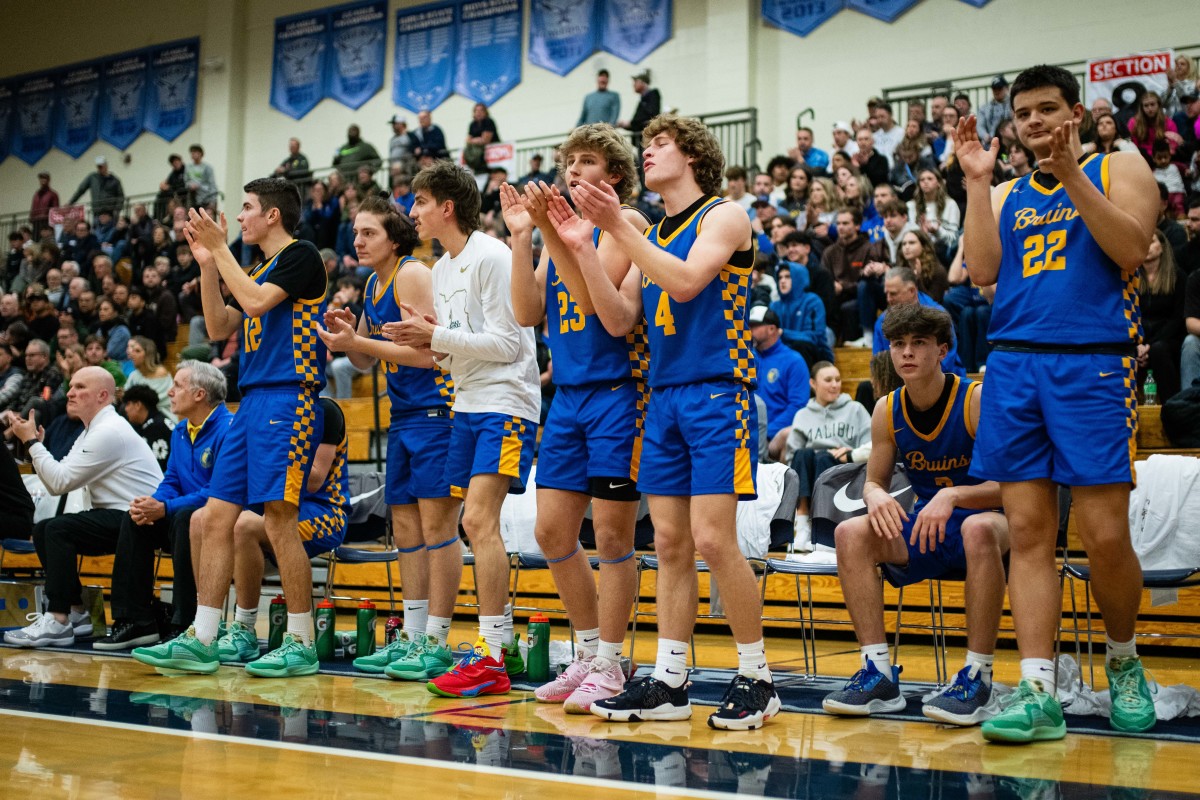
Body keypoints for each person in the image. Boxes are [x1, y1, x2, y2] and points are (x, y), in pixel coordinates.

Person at [958, 65, 1161, 741]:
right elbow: (982, 272)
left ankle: (1125, 661)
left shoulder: (1117, 167)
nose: (1035, 121)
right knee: (1029, 536)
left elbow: (1133, 249)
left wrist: (1072, 174)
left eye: (1048, 109)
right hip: (1015, 364)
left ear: (1077, 112)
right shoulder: (1009, 189)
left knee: (1104, 536)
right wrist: (976, 185)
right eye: (1024, 113)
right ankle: (1039, 690)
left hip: (1091, 364)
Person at [560, 113, 781, 730]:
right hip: (663, 397)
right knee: (672, 546)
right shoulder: (652, 230)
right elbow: (617, 316)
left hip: (718, 392)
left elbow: (684, 283)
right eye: (648, 145)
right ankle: (671, 680)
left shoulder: (724, 214)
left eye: (660, 144)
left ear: (693, 155)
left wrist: (614, 230)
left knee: (713, 539)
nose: (649, 153)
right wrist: (584, 249)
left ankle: (758, 677)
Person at [131, 177, 329, 678]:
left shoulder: (301, 255)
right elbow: (219, 328)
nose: (239, 218)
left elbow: (259, 304)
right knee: (215, 517)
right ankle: (202, 635)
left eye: (246, 208)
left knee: (279, 520)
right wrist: (206, 265)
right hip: (251, 402)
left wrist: (221, 251)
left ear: (273, 216)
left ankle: (301, 641)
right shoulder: (257, 268)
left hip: (290, 398)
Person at [502, 123, 647, 713]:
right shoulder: (559, 230)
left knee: (612, 535)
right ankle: (587, 653)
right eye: (569, 162)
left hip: (618, 394)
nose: (573, 171)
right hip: (567, 399)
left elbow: (598, 306)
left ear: (614, 174)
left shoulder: (625, 224)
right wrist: (521, 238)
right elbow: (528, 311)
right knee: (551, 532)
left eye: (587, 162)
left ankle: (612, 661)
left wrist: (552, 232)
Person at [386, 161, 540, 697]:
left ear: (446, 207)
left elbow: (508, 343)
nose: (413, 212)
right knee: (468, 525)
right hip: (466, 404)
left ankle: (493, 651)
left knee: (477, 521)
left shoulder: (493, 256)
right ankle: (499, 646)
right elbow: (454, 354)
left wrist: (437, 337)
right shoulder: (443, 268)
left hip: (506, 402)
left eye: (420, 202)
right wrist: (433, 342)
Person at [822, 303, 1009, 726]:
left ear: (942, 350)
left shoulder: (974, 399)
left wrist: (956, 495)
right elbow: (874, 482)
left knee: (979, 528)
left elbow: (1013, 489)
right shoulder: (887, 409)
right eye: (898, 344)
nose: (906, 353)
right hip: (931, 526)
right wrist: (873, 496)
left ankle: (978, 676)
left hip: (993, 523)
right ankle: (878, 674)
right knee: (851, 534)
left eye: (919, 343)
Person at [315, 195, 463, 681]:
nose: (357, 241)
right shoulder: (372, 284)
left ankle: (437, 641)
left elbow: (429, 354)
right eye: (355, 233)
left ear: (394, 238)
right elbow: (362, 360)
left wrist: (357, 342)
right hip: (404, 416)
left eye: (369, 233)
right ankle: (414, 638)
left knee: (438, 531)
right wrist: (343, 336)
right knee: (405, 532)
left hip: (437, 412)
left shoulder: (411, 274)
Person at [3, 367, 161, 648]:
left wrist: (30, 443)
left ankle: (58, 618)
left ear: (102, 395)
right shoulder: (93, 428)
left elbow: (59, 482)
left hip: (142, 518)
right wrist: (38, 446)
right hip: (119, 515)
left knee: (58, 529)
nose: (71, 393)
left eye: (79, 387)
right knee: (45, 529)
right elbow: (60, 475)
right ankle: (76, 612)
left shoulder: (109, 430)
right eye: (70, 386)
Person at [206, 396, 349, 672]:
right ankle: (202, 626)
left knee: (244, 525)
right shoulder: (265, 410)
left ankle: (251, 628)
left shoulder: (326, 410)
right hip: (280, 504)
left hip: (326, 511)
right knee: (206, 519)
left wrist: (264, 464)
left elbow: (316, 478)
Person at [96, 362, 232, 649]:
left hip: (221, 520)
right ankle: (137, 621)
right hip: (183, 514)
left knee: (184, 517)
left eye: (178, 386)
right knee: (133, 517)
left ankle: (185, 624)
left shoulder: (229, 429)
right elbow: (172, 479)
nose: (169, 392)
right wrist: (154, 502)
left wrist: (166, 509)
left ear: (199, 394)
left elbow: (219, 490)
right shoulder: (181, 430)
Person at [783, 362, 872, 538]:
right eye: (828, 380)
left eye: (838, 380)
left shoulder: (855, 409)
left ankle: (823, 524)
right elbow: (790, 457)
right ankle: (802, 523)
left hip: (845, 469)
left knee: (823, 457)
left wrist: (851, 451)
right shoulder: (802, 415)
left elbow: (870, 446)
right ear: (813, 384)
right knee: (803, 454)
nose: (835, 385)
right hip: (810, 470)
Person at [872, 267, 965, 378]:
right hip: (899, 382)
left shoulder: (938, 315)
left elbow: (947, 358)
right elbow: (879, 363)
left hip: (941, 379)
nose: (888, 299)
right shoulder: (882, 321)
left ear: (912, 291)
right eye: (886, 294)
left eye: (893, 294)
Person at [748, 306, 810, 462]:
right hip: (745, 431)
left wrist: (767, 433)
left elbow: (797, 406)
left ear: (771, 329)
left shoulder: (793, 361)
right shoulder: (747, 359)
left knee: (788, 436)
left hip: (774, 436)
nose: (749, 330)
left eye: (754, 326)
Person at [1137, 230, 1186, 402]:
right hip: (1139, 339)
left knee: (1159, 350)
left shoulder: (1177, 277)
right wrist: (1139, 344)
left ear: (1162, 247)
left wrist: (1148, 346)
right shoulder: (1130, 277)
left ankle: (1172, 406)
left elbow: (1178, 319)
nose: (1147, 247)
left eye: (1151, 242)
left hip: (1169, 338)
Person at [121, 383, 173, 472]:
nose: (126, 409)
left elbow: (158, 468)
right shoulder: (153, 422)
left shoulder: (157, 427)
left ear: (138, 405)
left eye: (128, 404)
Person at [124, 336, 174, 422]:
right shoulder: (134, 375)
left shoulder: (161, 372)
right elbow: (126, 395)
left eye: (137, 351)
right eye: (132, 350)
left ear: (148, 354)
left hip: (162, 415)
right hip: (138, 415)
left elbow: (156, 400)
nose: (132, 354)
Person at [619, 70, 661, 143]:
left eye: (636, 81)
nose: (633, 84)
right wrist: (628, 125)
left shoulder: (653, 95)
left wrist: (630, 123)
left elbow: (650, 115)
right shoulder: (643, 100)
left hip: (647, 139)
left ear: (643, 83)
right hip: (642, 140)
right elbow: (638, 123)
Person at [464, 103, 500, 175]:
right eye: (476, 111)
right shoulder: (472, 124)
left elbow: (485, 140)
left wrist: (473, 140)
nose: (478, 113)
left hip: (493, 152)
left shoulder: (489, 121)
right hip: (480, 154)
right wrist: (478, 140)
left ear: (485, 112)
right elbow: (467, 140)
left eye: (481, 111)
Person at [185, 144, 219, 210]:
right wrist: (190, 185)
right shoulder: (188, 167)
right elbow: (186, 181)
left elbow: (212, 184)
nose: (193, 154)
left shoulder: (207, 167)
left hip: (206, 197)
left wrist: (213, 200)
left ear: (201, 153)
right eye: (192, 152)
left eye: (195, 152)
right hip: (192, 198)